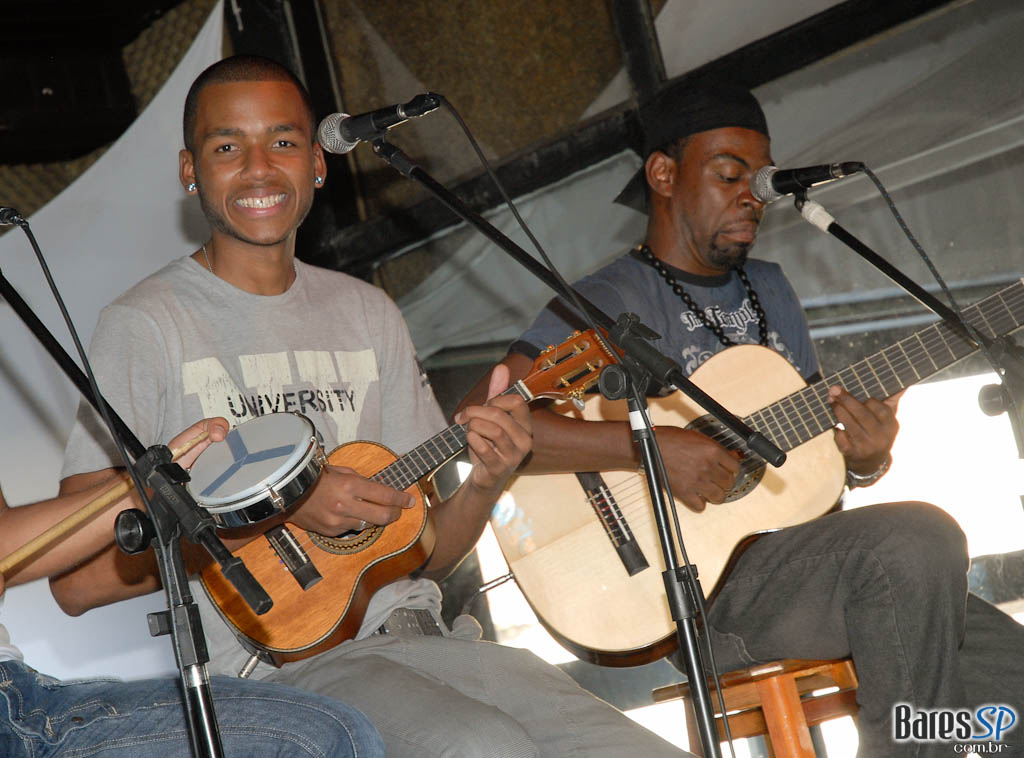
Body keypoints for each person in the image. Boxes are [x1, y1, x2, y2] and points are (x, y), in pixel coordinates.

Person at [53, 55, 692, 757]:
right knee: (481, 745)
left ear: (318, 164)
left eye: (284, 141)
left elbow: (426, 552)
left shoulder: (368, 313)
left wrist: (489, 478)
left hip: (433, 643)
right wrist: (278, 511)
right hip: (281, 675)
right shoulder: (144, 326)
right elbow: (77, 580)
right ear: (190, 170)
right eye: (227, 147)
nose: (259, 168)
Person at [459, 79, 1024, 756]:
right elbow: (488, 419)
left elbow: (808, 463)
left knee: (1009, 677)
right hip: (696, 595)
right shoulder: (612, 298)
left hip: (812, 569)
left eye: (760, 179)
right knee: (916, 539)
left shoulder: (772, 289)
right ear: (664, 175)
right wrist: (651, 449)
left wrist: (864, 458)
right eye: (730, 175)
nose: (753, 195)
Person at [0, 417, 384, 757]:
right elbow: (69, 584)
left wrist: (154, 483)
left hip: (17, 691)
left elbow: (6, 547)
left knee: (330, 735)